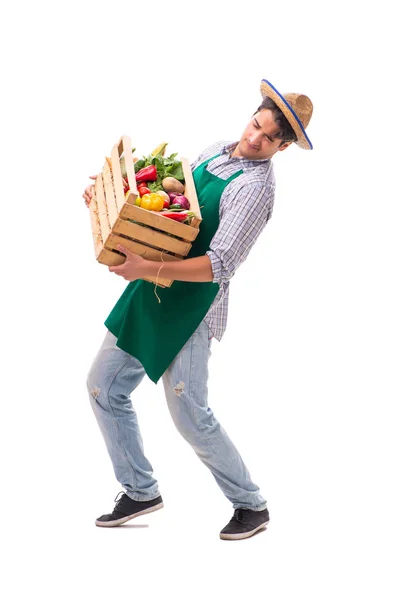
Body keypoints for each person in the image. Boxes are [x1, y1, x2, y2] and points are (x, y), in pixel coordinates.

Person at [83, 78, 313, 540]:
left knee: (190, 415)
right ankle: (140, 489)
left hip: (192, 307)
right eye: (256, 124)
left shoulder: (255, 189)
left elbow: (220, 264)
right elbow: (172, 208)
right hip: (149, 286)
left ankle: (251, 505)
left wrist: (146, 265)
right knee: (102, 387)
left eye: (269, 138)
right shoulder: (215, 150)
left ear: (282, 148)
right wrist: (116, 198)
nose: (254, 138)